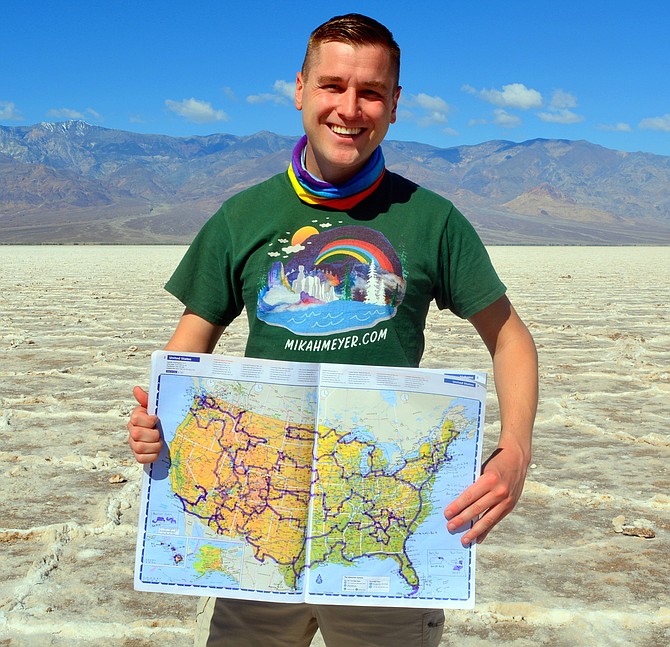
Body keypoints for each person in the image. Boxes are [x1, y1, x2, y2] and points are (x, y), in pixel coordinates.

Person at [127, 13, 538, 647]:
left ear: (395, 104)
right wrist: (161, 415)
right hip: (259, 527)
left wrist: (515, 449)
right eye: (332, 86)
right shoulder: (243, 217)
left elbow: (510, 337)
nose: (350, 107)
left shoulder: (432, 221)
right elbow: (191, 342)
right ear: (299, 89)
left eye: (371, 91)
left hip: (379, 529)